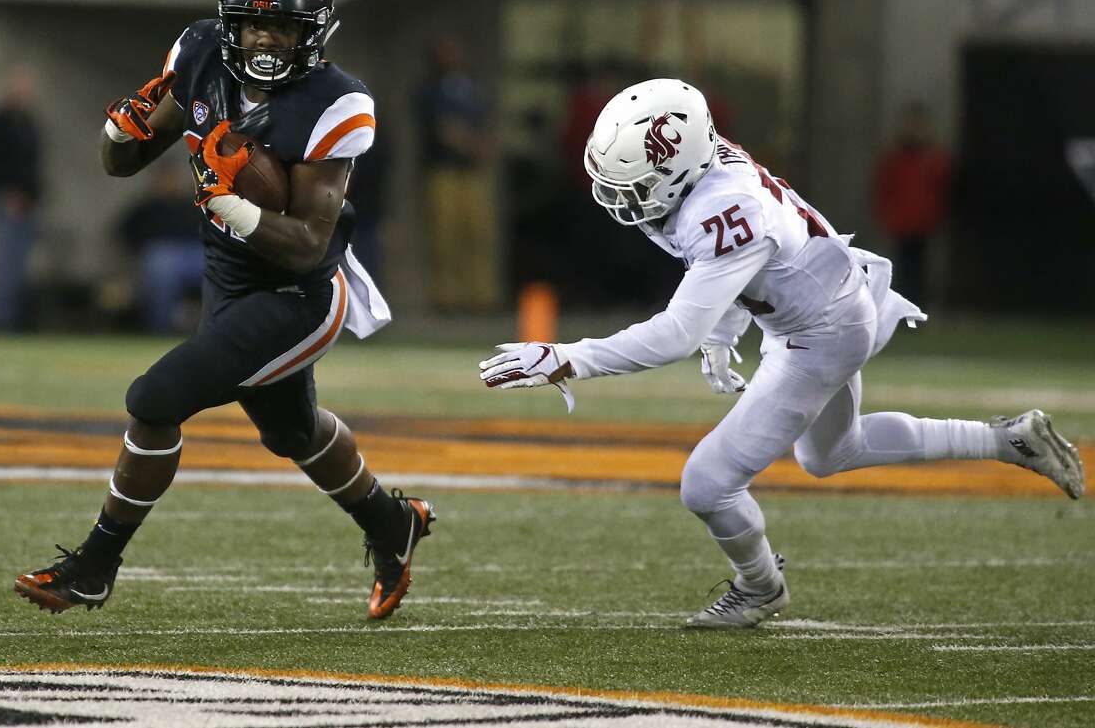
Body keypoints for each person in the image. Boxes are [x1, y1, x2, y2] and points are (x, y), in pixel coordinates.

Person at [479, 79, 1084, 629]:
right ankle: (1008, 440)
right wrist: (724, 332)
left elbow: (675, 332)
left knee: (707, 484)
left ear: (677, 168)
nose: (622, 200)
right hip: (829, 300)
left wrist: (568, 357)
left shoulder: (722, 206)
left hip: (821, 329)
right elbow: (748, 266)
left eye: (634, 186)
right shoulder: (706, 169)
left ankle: (759, 587)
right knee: (830, 454)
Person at [14, 0, 434, 621]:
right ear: (229, 24)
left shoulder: (338, 103)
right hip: (228, 277)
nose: (265, 40)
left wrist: (231, 203)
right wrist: (117, 131)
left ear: (314, 33)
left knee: (155, 398)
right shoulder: (202, 53)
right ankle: (392, 524)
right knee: (292, 430)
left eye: (283, 28)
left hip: (300, 295)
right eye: (253, 25)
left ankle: (95, 565)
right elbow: (123, 161)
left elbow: (305, 245)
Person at [416, 36, 498, 312]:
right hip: (444, 171)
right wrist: (473, 145)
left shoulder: (474, 88)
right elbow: (442, 129)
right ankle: (447, 297)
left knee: (478, 234)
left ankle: (480, 295)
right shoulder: (429, 91)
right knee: (445, 237)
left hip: (473, 173)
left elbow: (487, 121)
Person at [873, 100, 952, 306]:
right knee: (902, 268)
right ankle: (901, 310)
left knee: (920, 270)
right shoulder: (894, 158)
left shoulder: (933, 158)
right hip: (900, 223)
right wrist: (886, 216)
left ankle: (919, 308)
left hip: (924, 223)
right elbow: (884, 189)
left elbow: (942, 188)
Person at [0, 64, 43, 331]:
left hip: (29, 201)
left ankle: (13, 319)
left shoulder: (29, 121)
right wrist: (8, 193)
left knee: (19, 263)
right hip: (7, 201)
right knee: (3, 261)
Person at [114, 160, 204, 333]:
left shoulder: (192, 205)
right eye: (164, 178)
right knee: (160, 263)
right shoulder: (145, 208)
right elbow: (123, 235)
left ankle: (214, 328)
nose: (168, 182)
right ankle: (162, 329)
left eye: (171, 178)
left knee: (218, 266)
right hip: (161, 255)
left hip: (194, 253)